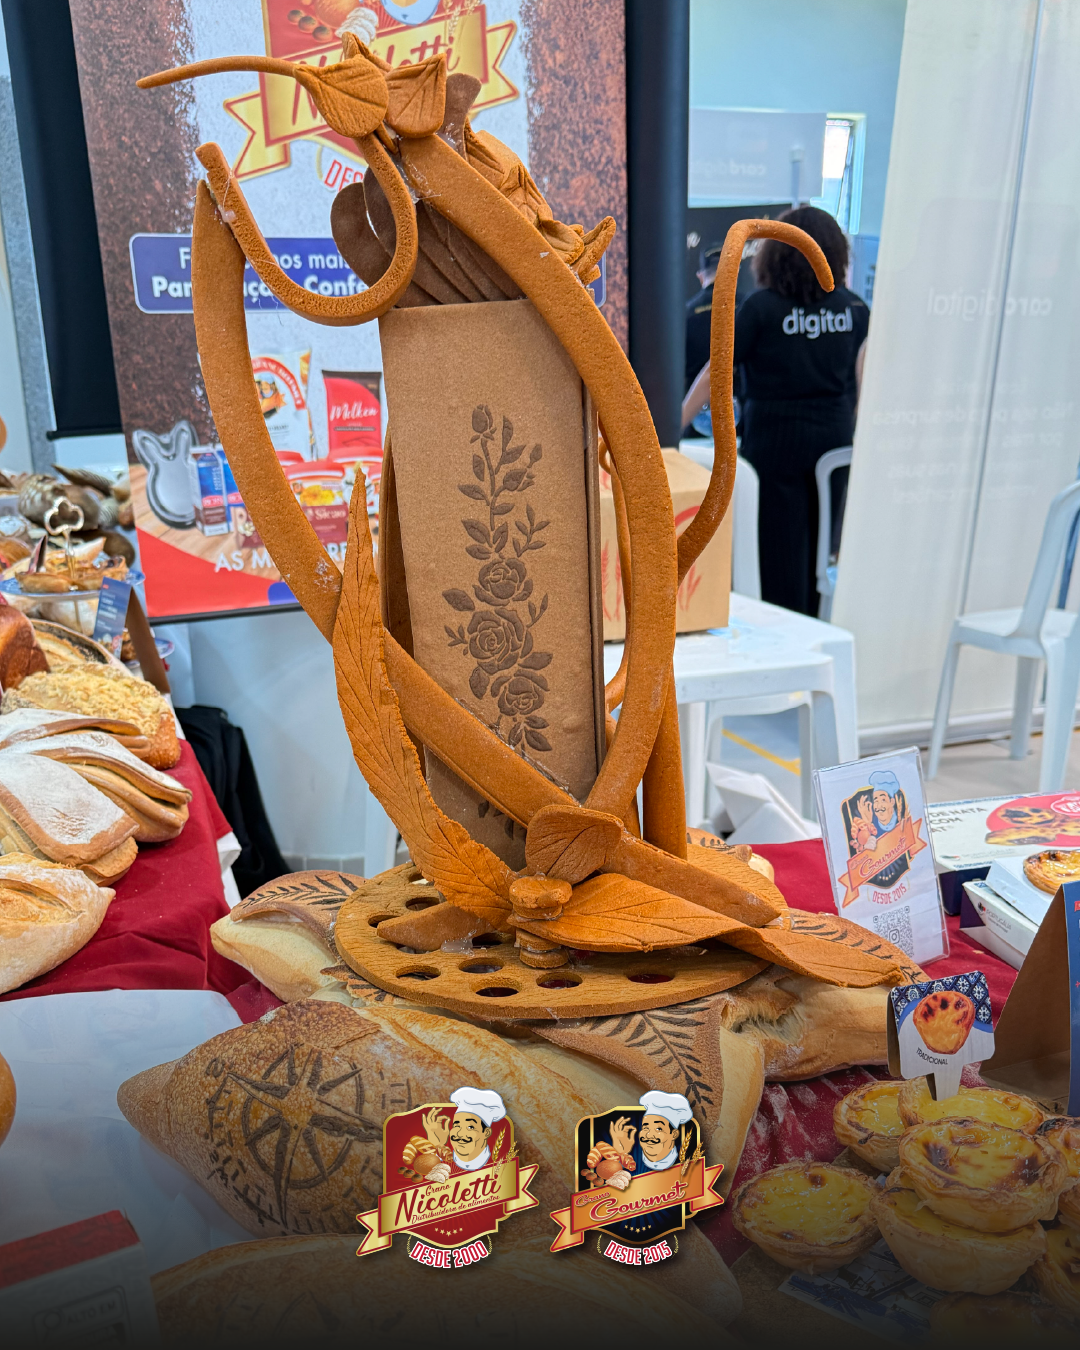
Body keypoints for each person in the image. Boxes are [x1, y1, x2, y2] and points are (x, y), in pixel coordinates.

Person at [684, 207, 869, 614]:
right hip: (835, 444)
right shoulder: (854, 308)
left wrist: (676, 422)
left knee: (776, 555)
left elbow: (717, 370)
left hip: (775, 446)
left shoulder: (761, 309)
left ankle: (787, 630)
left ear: (776, 252)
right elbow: (866, 380)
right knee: (824, 552)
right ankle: (819, 624)